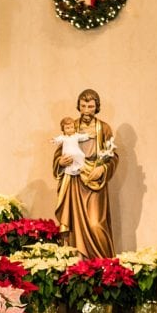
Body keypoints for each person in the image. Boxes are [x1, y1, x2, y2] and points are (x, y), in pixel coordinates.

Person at [53, 88, 119, 259]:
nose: (87, 110)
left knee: (96, 224)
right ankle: (80, 266)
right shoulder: (71, 126)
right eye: (83, 106)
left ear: (97, 107)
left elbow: (113, 156)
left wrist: (102, 169)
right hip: (75, 182)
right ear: (79, 106)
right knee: (75, 226)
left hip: (95, 182)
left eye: (91, 106)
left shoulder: (103, 128)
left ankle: (104, 266)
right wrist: (60, 162)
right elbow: (59, 152)